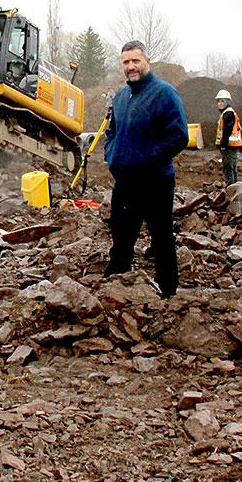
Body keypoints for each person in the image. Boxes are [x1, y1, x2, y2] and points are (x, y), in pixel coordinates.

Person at [102, 40, 188, 296]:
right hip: (125, 182)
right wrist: (112, 154)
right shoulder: (121, 96)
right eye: (126, 62)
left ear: (147, 62)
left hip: (155, 182)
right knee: (121, 235)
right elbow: (112, 130)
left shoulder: (164, 93)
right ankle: (116, 286)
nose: (131, 67)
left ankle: (168, 291)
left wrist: (148, 160)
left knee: (161, 237)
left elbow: (178, 135)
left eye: (135, 61)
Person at [214, 89, 242, 186]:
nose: (220, 103)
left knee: (228, 168)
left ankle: (231, 189)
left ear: (227, 102)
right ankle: (235, 188)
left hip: (229, 146)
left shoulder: (228, 113)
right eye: (218, 101)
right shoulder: (228, 113)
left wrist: (223, 145)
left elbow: (227, 130)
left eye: (222, 101)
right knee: (232, 167)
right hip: (231, 145)